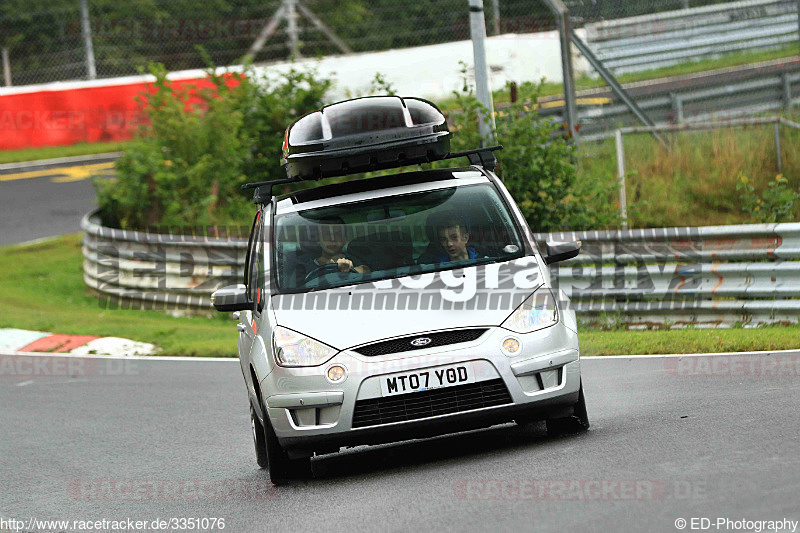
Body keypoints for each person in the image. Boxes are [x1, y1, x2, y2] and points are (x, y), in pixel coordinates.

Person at [288, 217, 370, 286]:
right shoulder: (304, 268)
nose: (332, 239)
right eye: (327, 234)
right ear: (318, 239)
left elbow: (367, 272)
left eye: (337, 234)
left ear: (345, 238)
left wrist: (351, 269)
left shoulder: (355, 259)